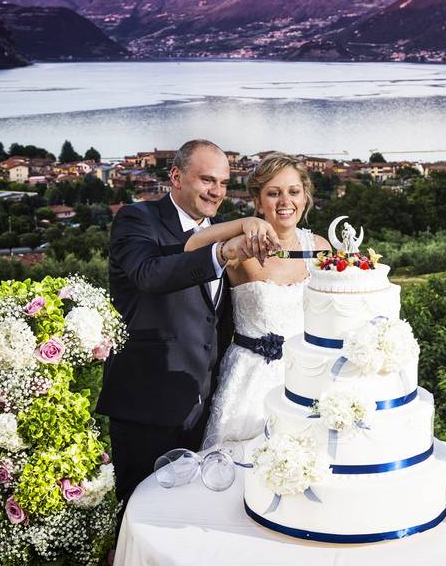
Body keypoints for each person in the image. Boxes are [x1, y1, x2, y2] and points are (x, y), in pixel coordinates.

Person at [96, 139, 279, 518]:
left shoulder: (220, 233)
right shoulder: (137, 219)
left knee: (192, 516)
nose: (217, 192)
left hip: (205, 409)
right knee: (139, 515)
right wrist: (218, 253)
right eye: (207, 180)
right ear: (176, 177)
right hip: (145, 406)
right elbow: (149, 274)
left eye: (224, 183)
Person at [185, 153, 330, 447]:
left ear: (305, 196)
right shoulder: (242, 250)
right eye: (273, 193)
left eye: (293, 192)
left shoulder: (319, 247)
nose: (284, 201)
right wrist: (243, 224)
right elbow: (192, 246)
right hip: (250, 380)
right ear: (258, 201)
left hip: (308, 374)